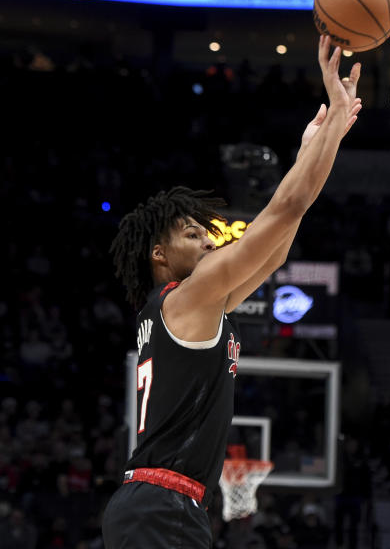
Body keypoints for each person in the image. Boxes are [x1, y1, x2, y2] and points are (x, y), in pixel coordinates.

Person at [101, 35, 362, 548]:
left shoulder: (187, 307)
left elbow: (278, 250)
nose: (206, 238)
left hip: (165, 505)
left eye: (206, 231)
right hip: (161, 505)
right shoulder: (187, 298)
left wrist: (317, 145)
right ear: (159, 254)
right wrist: (331, 122)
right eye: (191, 233)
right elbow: (284, 211)